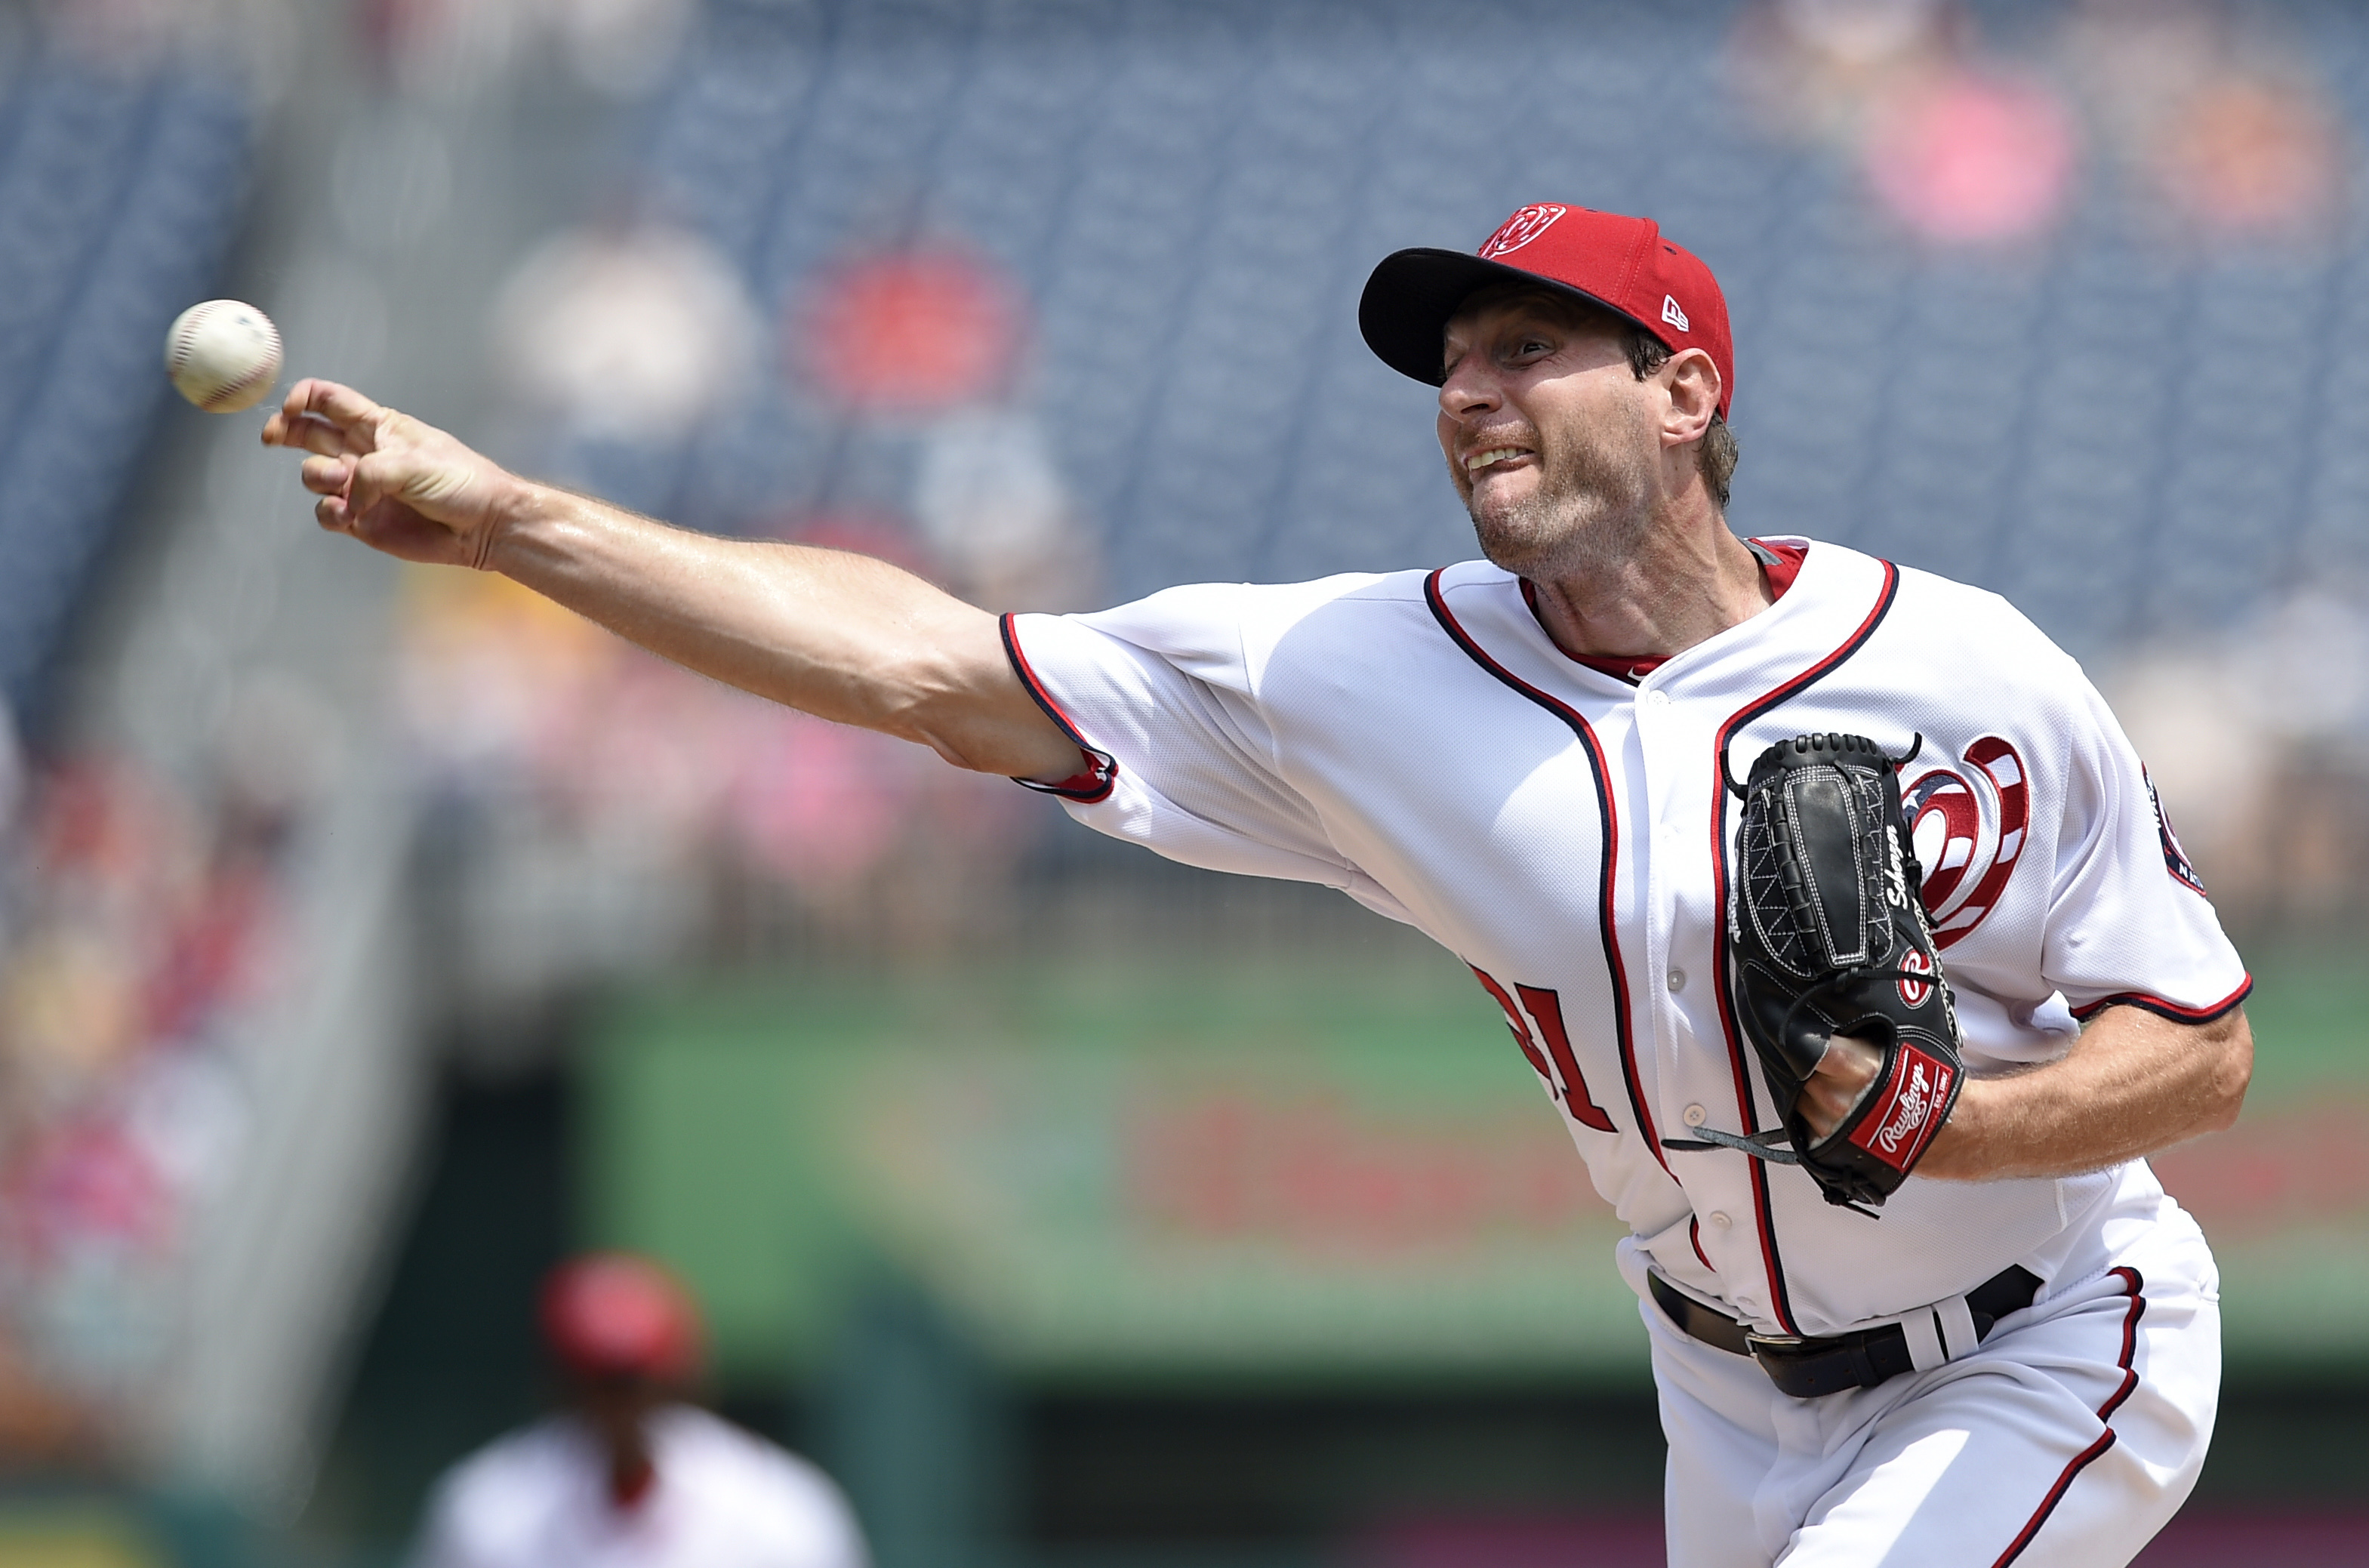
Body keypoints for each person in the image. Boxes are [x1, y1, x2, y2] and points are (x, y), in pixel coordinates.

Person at [272, 203, 2251, 1568]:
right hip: (1721, 1387)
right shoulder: (1348, 671)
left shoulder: (1966, 668)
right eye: (1454, 362)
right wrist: (522, 522)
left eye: (1533, 348)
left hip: (2044, 1322)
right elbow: (931, 665)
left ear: (1683, 394)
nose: (1473, 390)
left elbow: (2204, 1042)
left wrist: (1971, 1126)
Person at [410, 1252, 867, 1568]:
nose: (620, 1408)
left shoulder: (777, 1510)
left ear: (685, 1384)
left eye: (637, 1385)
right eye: (595, 1385)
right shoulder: (492, 1509)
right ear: (561, 1389)